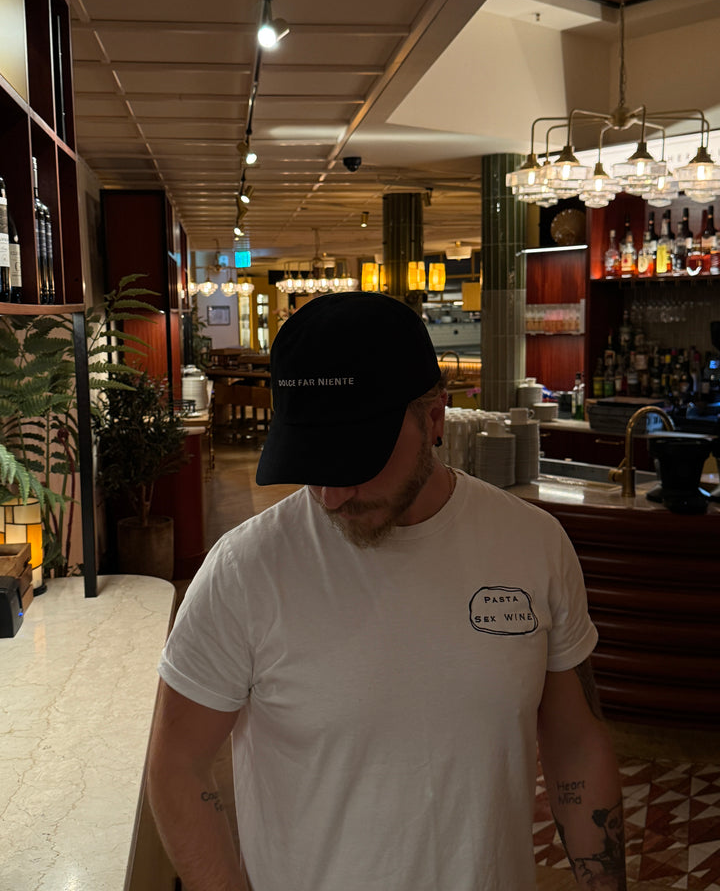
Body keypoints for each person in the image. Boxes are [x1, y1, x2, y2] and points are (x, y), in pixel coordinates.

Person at [148, 291, 626, 891]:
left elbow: (575, 741)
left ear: (433, 420)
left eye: (356, 461)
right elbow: (177, 765)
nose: (331, 495)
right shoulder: (244, 572)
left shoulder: (533, 545)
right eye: (312, 461)